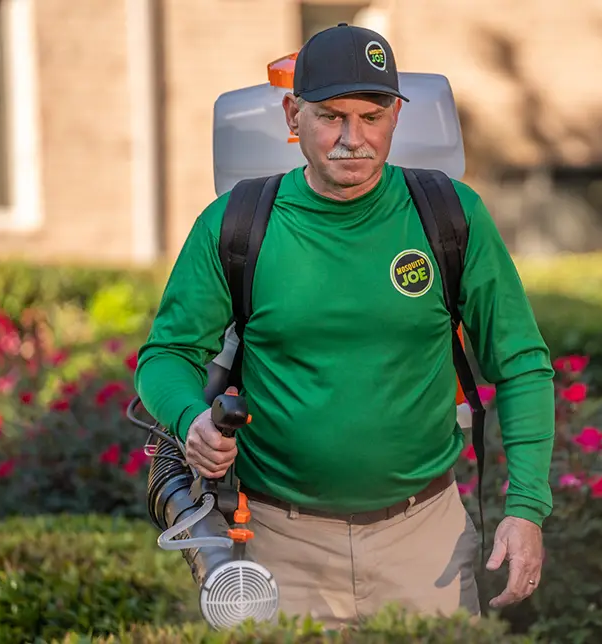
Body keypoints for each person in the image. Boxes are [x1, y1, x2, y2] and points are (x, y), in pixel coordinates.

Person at [133, 23, 556, 628]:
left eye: (373, 115)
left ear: (396, 116)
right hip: (279, 545)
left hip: (425, 541)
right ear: (292, 115)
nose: (353, 139)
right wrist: (190, 418)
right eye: (331, 116)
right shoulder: (236, 225)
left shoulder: (450, 216)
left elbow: (521, 364)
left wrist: (527, 509)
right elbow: (166, 354)